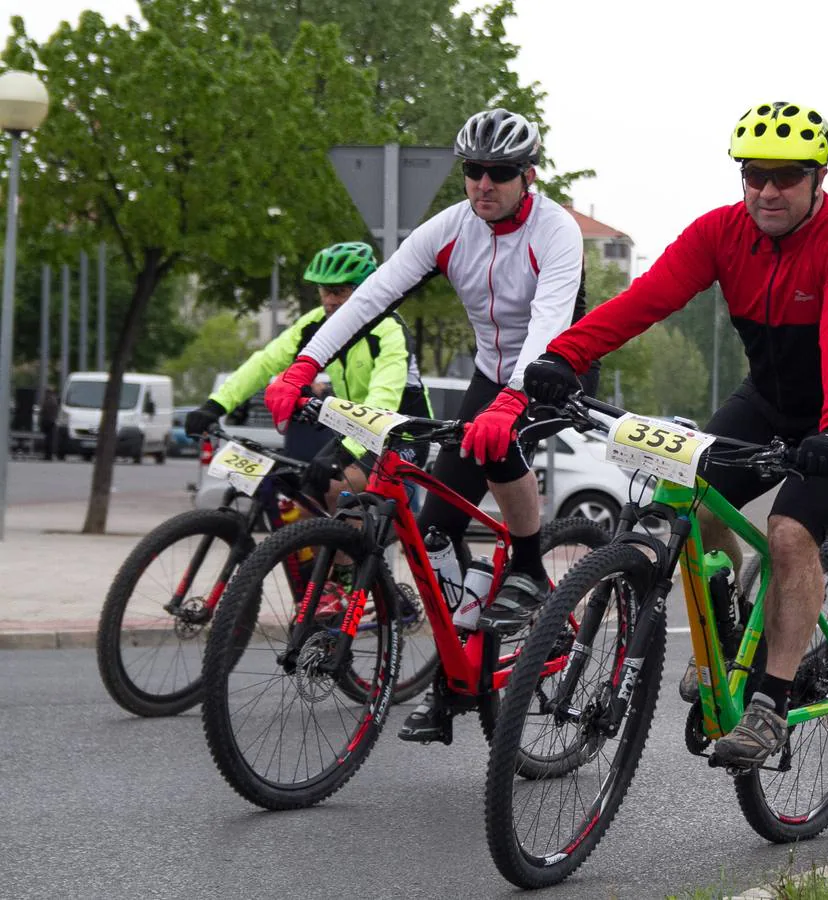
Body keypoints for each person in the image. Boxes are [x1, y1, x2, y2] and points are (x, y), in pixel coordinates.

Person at [520, 100, 828, 769]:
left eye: (785, 176)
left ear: (818, 177)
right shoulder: (719, 234)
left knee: (789, 532)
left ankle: (772, 704)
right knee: (685, 494)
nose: (766, 190)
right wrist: (565, 356)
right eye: (753, 174)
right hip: (768, 398)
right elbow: (646, 300)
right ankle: (725, 632)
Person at [261, 108, 591, 743]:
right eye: (473, 171)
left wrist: (511, 403)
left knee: (499, 447)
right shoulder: (450, 228)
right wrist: (304, 365)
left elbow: (550, 322)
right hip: (491, 374)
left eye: (498, 173)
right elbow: (371, 296)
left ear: (528, 174)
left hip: (557, 369)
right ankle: (454, 677)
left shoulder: (556, 232)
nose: (483, 185)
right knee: (435, 527)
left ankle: (527, 564)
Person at [185, 241, 431, 511]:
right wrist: (215, 405)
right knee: (303, 503)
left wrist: (343, 453)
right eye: (325, 291)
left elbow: (383, 398)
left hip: (400, 436)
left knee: (342, 495)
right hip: (356, 432)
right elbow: (265, 362)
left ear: (364, 290)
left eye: (339, 291)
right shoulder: (315, 323)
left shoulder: (388, 329)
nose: (329, 301)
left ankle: (356, 549)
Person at [37, 388, 59, 461]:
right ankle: (48, 455)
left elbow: (43, 411)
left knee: (48, 440)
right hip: (51, 422)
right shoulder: (53, 400)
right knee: (49, 439)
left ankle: (48, 456)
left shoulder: (49, 400)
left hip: (48, 422)